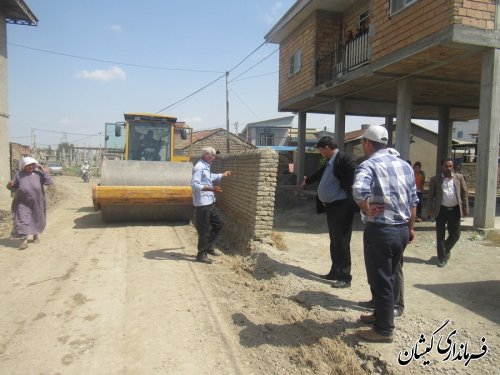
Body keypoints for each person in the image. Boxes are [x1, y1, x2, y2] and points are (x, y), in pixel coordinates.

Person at [352, 125, 418, 343]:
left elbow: (358, 190)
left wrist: (366, 207)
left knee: (380, 280)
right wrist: (410, 228)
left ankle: (384, 330)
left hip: (380, 231)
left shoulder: (369, 165)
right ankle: (380, 315)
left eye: (363, 142)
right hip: (400, 230)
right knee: (389, 276)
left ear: (368, 143)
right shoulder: (405, 166)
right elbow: (413, 200)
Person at [300, 136, 357, 288]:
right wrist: (307, 181)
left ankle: (345, 277)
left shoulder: (344, 159)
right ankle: (335, 271)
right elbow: (320, 173)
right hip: (332, 206)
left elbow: (354, 175)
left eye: (320, 149)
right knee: (335, 239)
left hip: (343, 206)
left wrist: (347, 190)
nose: (319, 152)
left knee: (343, 241)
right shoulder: (331, 161)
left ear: (326, 147)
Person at [191, 147, 232, 264]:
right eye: (212, 156)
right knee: (204, 230)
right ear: (205, 155)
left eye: (214, 156)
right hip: (202, 203)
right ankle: (201, 254)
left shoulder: (206, 166)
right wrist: (212, 189)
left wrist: (222, 175)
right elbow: (194, 185)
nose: (214, 158)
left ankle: (208, 247)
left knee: (218, 224)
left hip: (210, 201)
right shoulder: (199, 167)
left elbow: (209, 177)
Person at [426, 158, 469, 267]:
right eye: (446, 166)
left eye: (450, 166)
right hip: (441, 210)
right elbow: (431, 196)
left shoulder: (459, 178)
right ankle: (442, 258)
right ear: (442, 167)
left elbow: (464, 194)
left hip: (454, 210)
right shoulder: (435, 179)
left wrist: (465, 209)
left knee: (455, 234)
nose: (448, 168)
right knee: (440, 235)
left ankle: (444, 248)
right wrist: (429, 210)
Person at [6, 156, 53, 250]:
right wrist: (9, 185)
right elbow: (13, 187)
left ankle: (35, 236)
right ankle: (24, 241)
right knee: (22, 220)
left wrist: (43, 170)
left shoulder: (38, 174)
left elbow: (49, 182)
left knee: (36, 218)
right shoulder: (19, 175)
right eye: (28, 165)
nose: (31, 167)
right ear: (24, 166)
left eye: (32, 165)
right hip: (22, 202)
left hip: (37, 202)